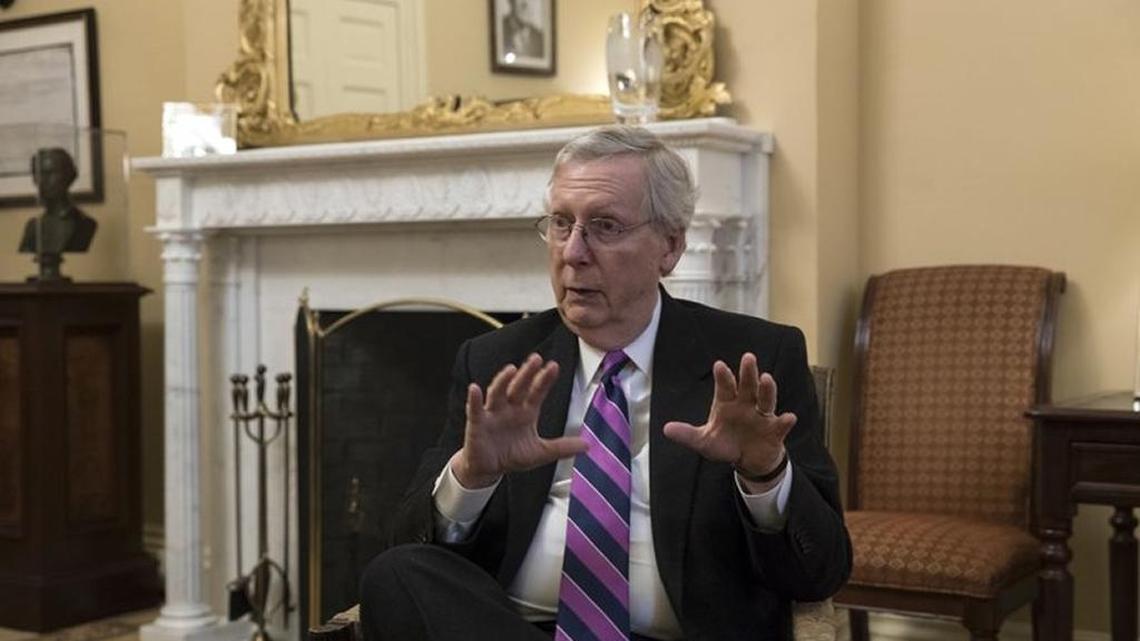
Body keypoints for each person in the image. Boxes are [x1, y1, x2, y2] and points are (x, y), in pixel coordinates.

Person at [360, 126, 850, 640]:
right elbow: (413, 547)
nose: (573, 252)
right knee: (396, 573)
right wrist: (471, 477)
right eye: (560, 223)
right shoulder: (496, 361)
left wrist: (765, 474)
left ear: (670, 246)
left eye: (605, 226)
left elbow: (821, 572)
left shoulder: (752, 364)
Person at [18, 147, 98, 280]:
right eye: (39, 174)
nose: (42, 181)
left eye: (50, 173)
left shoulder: (83, 224)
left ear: (69, 176)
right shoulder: (33, 226)